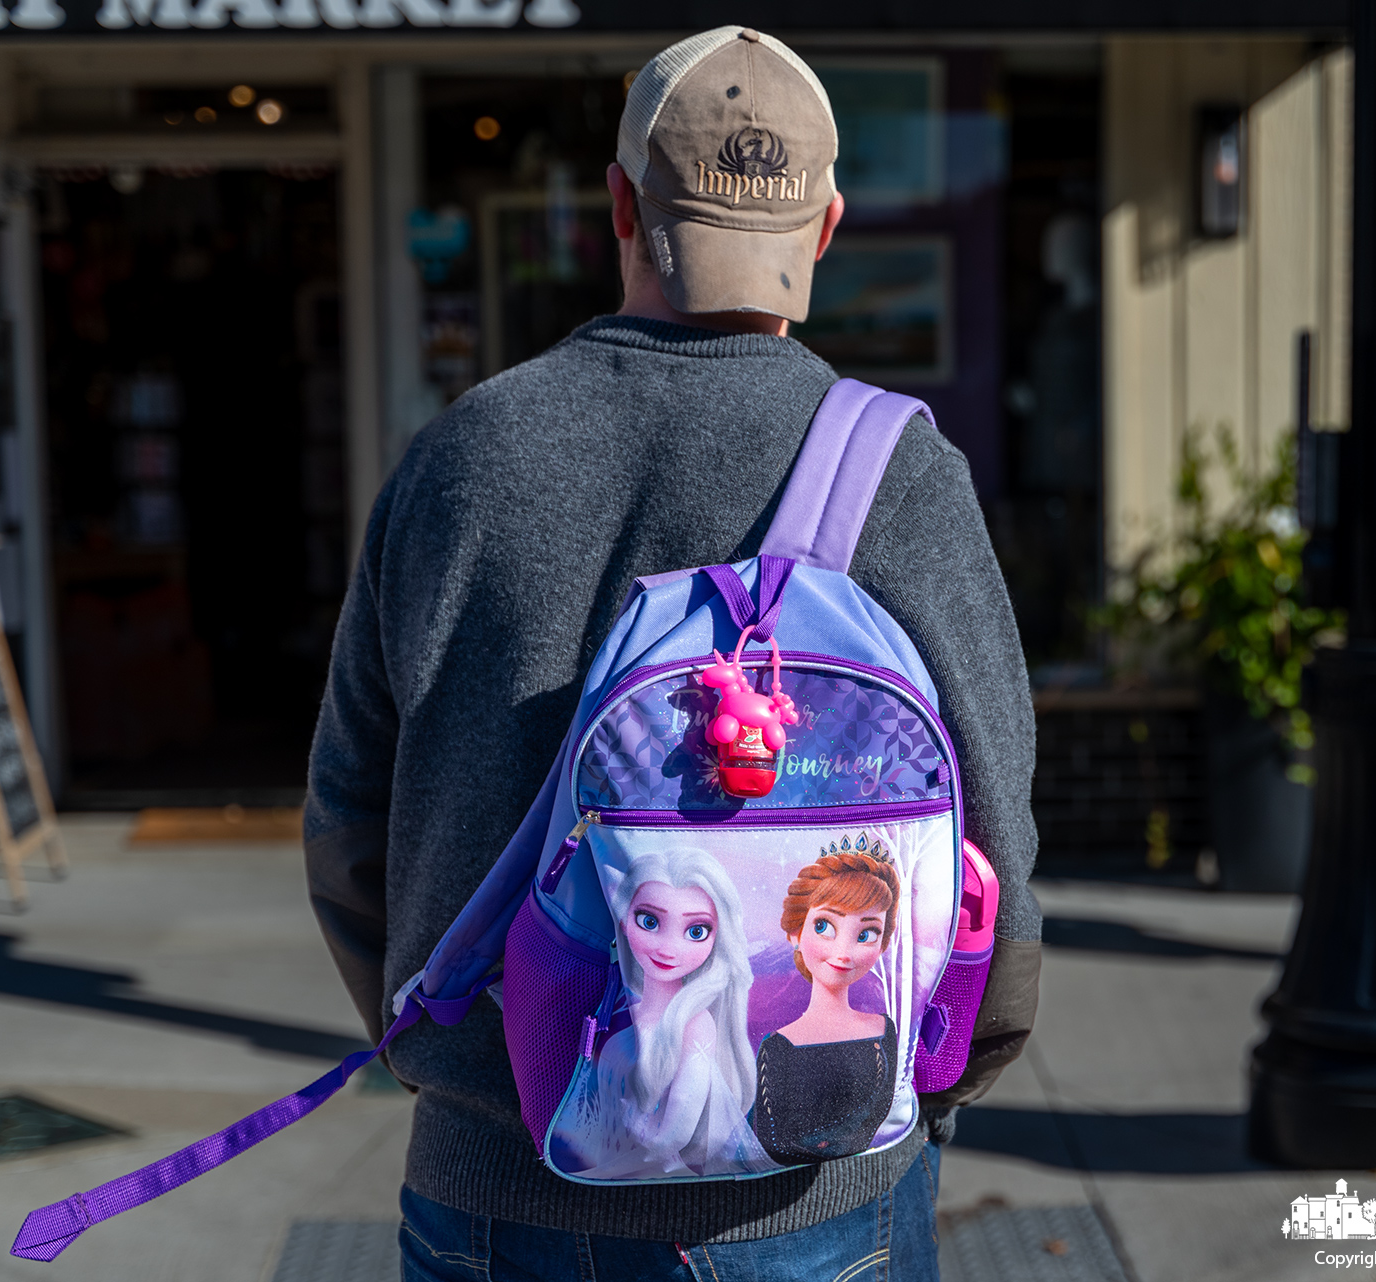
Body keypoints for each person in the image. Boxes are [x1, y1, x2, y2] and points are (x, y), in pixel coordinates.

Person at [304, 25, 1041, 1282]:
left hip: (493, 1187)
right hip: (809, 1199)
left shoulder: (460, 458)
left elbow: (347, 828)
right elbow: (997, 867)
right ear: (824, 226)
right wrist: (924, 1081)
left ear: (621, 206)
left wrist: (457, 1058)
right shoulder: (905, 474)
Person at [555, 848, 772, 1179]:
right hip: (604, 1166)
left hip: (639, 1170)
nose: (668, 948)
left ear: (718, 937)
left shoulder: (695, 1023)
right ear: (623, 919)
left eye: (696, 931)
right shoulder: (626, 1005)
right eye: (650, 921)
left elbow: (673, 1136)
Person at [751, 844, 901, 1164]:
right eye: (824, 926)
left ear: (884, 943)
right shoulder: (779, 1047)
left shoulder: (883, 1029)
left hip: (872, 1170)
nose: (843, 951)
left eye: (867, 933)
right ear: (795, 931)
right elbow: (772, 1136)